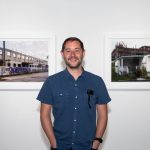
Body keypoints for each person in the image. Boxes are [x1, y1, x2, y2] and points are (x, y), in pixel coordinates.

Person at [37, 37, 111, 150]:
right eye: (68, 50)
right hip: (60, 146)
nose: (72, 54)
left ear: (83, 53)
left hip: (88, 146)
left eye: (77, 50)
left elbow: (103, 115)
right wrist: (54, 144)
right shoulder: (51, 82)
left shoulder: (97, 82)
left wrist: (95, 144)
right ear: (62, 54)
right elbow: (44, 115)